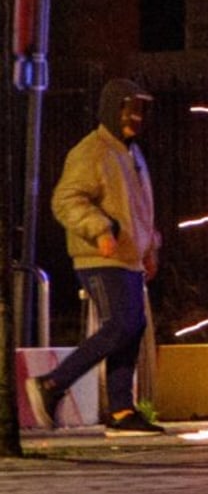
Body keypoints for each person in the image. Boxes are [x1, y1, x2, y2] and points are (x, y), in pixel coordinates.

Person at [25, 78, 165, 436]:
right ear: (112, 108)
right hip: (99, 256)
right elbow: (65, 200)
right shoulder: (92, 151)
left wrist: (150, 248)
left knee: (131, 328)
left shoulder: (132, 153)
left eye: (139, 110)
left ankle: (121, 411)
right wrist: (101, 229)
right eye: (129, 108)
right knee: (121, 324)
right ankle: (51, 384)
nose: (135, 116)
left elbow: (139, 209)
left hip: (126, 258)